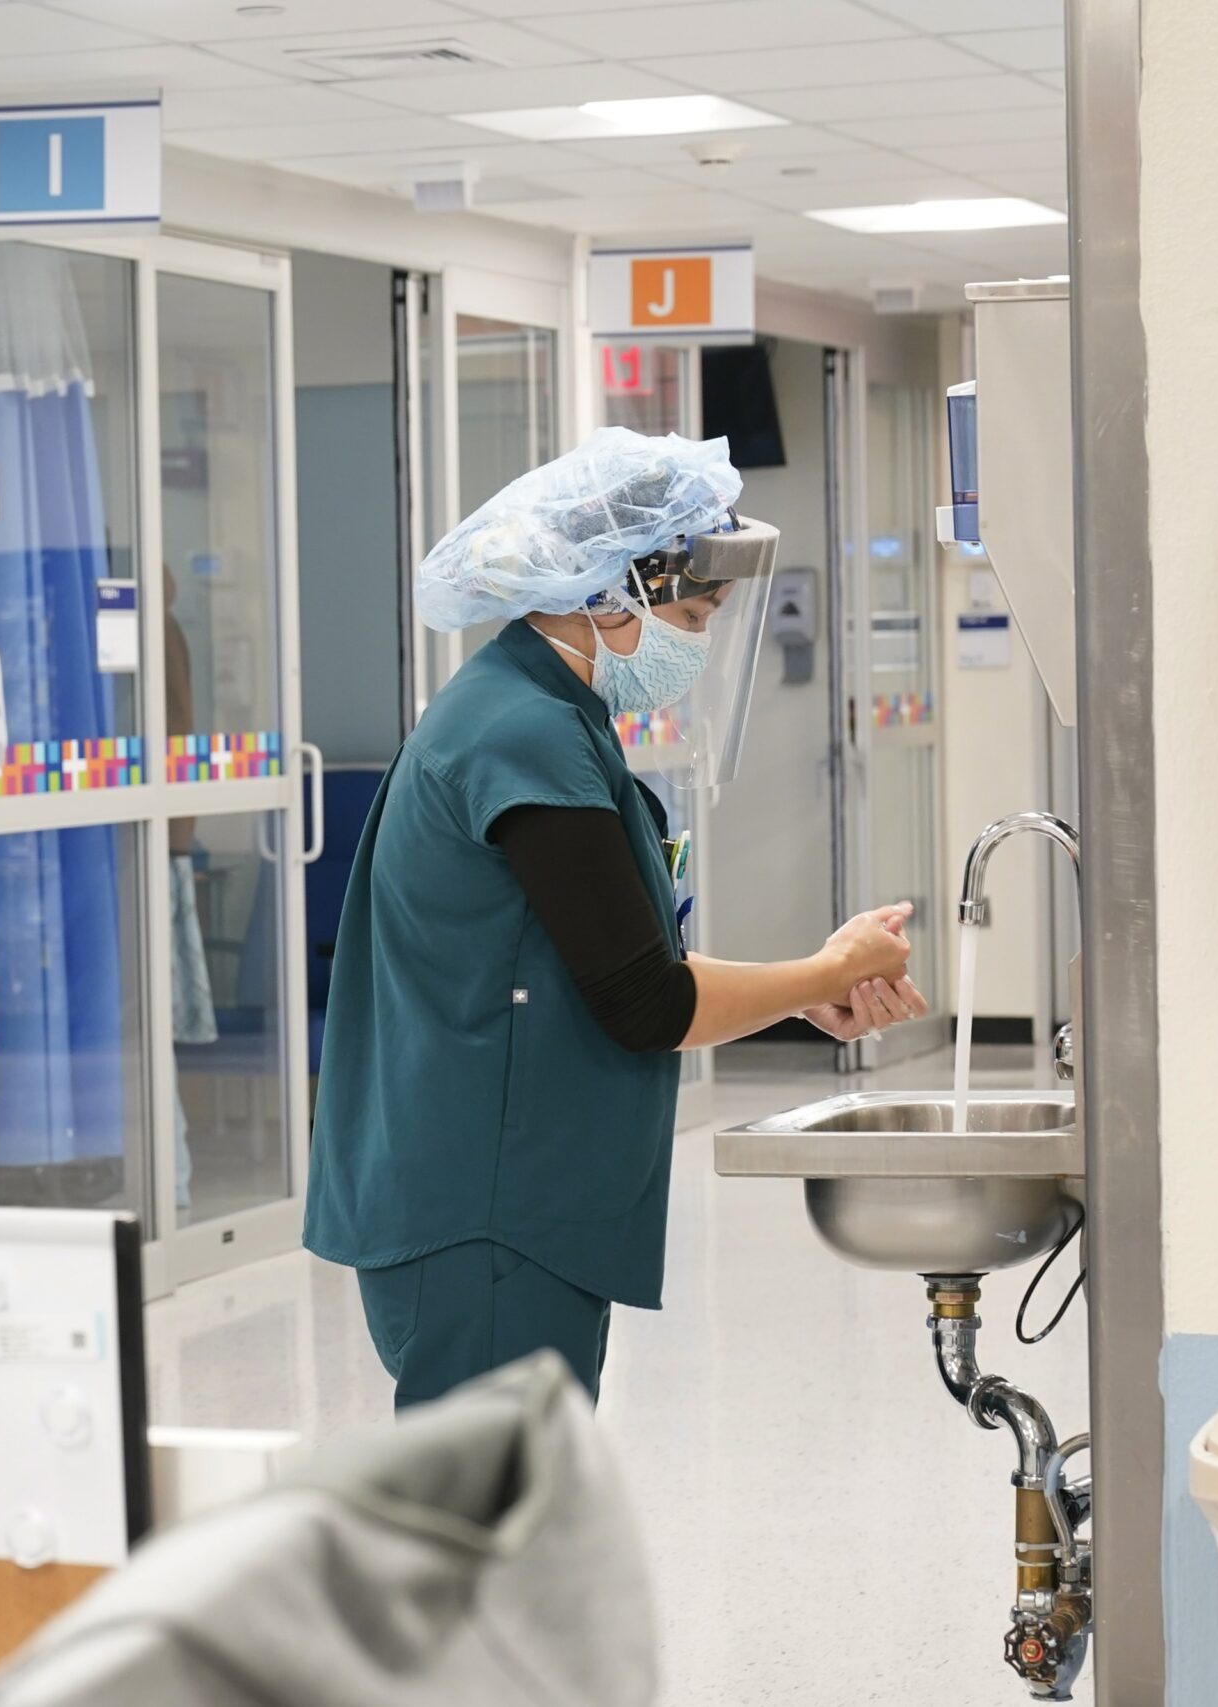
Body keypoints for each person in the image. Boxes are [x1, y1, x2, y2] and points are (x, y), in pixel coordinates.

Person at [305, 429, 931, 1410]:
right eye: (685, 613)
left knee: (511, 1522)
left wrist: (797, 997)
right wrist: (824, 968)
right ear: (598, 595)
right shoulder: (524, 738)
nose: (697, 642)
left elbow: (610, 960)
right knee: (494, 1532)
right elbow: (645, 1000)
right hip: (488, 1216)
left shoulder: (538, 711)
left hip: (501, 1197)